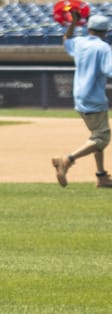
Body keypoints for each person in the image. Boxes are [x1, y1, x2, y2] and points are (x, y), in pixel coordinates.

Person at [52, 14, 112, 189]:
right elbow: (110, 71)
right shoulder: (104, 48)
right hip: (94, 97)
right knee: (102, 138)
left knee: (95, 136)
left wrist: (73, 22)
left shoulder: (79, 42)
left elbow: (66, 39)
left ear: (89, 28)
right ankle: (67, 160)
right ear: (106, 31)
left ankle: (101, 176)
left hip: (79, 95)